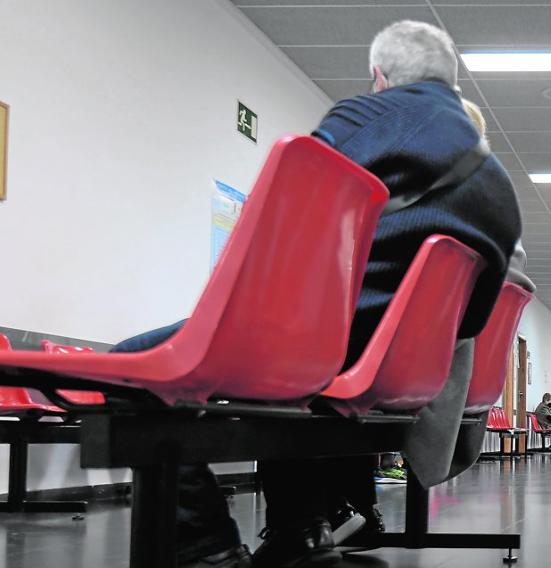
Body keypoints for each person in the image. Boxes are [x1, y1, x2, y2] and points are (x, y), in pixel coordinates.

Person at [112, 20, 521, 568]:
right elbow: (471, 319)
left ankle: (205, 548)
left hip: (313, 349)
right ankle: (299, 533)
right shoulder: (499, 188)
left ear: (381, 75)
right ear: (451, 81)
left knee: (127, 368)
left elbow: (295, 223)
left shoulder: (366, 117)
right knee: (291, 386)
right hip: (402, 371)